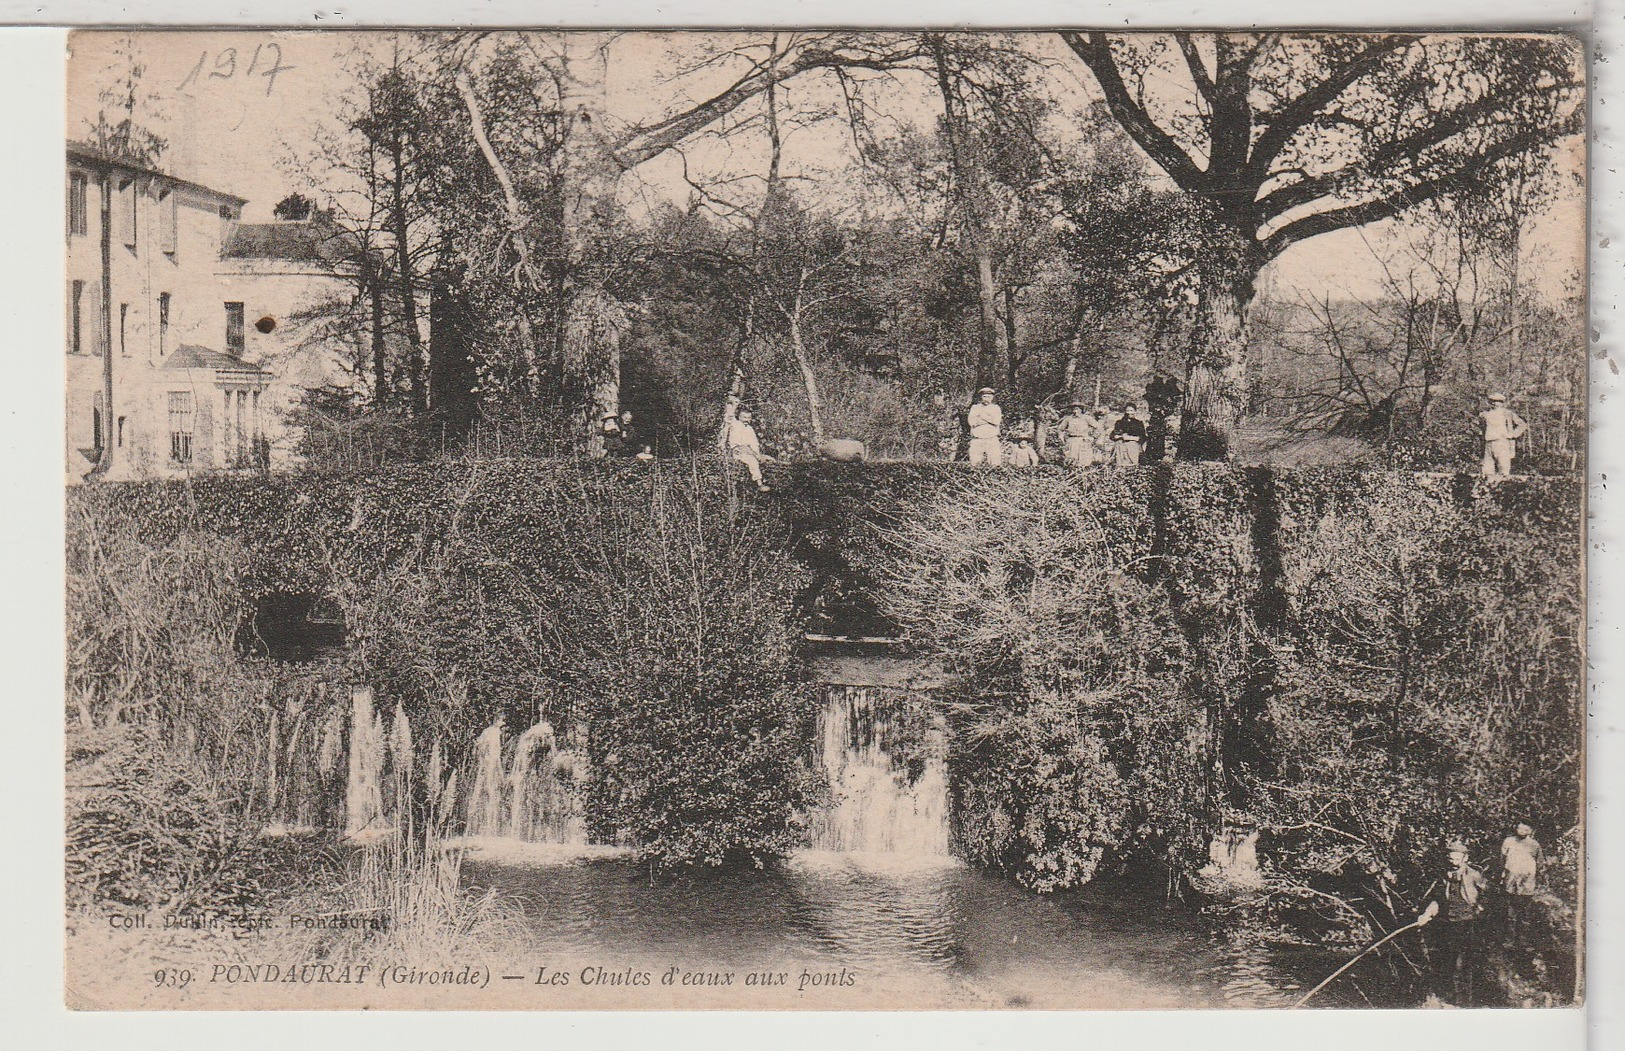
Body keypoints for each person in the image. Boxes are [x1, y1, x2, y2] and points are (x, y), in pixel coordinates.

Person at [1431, 839, 1488, 1005]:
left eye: (1457, 859)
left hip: (1468, 922)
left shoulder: (1474, 875)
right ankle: (1452, 998)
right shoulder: (1444, 876)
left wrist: (1480, 909)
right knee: (1449, 960)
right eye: (1451, 859)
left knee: (1465, 962)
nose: (1453, 862)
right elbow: (1437, 899)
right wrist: (1427, 914)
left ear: (1465, 858)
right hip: (1449, 922)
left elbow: (1488, 894)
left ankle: (1466, 1001)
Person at [1500, 822, 1543, 949]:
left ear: (1530, 830)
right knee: (1510, 913)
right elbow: (1502, 859)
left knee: (1524, 913)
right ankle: (1509, 940)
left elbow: (1540, 863)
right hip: (1511, 883)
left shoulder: (1534, 845)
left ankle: (1523, 941)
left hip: (1527, 884)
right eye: (1519, 827)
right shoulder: (1508, 841)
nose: (1522, 830)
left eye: (1525, 828)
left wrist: (1532, 876)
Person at [1479, 392, 1528, 480]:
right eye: (1492, 401)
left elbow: (1522, 424)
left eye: (1497, 401)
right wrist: (1480, 433)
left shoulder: (1507, 413)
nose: (1494, 403)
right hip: (1488, 443)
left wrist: (1512, 434)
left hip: (1501, 443)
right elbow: (1475, 425)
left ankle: (1502, 489)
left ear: (1502, 403)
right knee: (1487, 471)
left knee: (1503, 470)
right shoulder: (1485, 414)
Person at [724, 404, 771, 492]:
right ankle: (759, 483)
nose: (746, 420)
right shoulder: (736, 426)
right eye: (744, 417)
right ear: (739, 417)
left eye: (748, 418)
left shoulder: (749, 428)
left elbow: (754, 444)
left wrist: (759, 455)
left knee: (768, 459)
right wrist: (755, 456)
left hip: (749, 451)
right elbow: (741, 446)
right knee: (752, 460)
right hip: (738, 450)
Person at [967, 387, 1003, 467]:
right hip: (977, 437)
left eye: (989, 397)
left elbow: (996, 421)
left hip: (991, 437)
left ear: (992, 397)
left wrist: (981, 416)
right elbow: (972, 422)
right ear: (981, 397)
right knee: (975, 460)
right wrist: (989, 419)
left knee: (994, 460)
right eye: (984, 396)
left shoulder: (995, 408)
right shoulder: (975, 408)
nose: (986, 399)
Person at [1058, 400, 1096, 468]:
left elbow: (1098, 427)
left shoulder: (1087, 418)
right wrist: (1061, 438)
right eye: (1074, 409)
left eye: (1078, 409)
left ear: (1081, 410)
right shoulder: (1068, 419)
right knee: (1072, 459)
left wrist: (1092, 437)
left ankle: (1083, 472)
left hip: (1083, 440)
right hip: (1072, 440)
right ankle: (1071, 471)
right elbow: (1060, 429)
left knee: (1084, 460)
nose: (1076, 411)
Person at [1110, 402, 1148, 467]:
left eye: (1131, 410)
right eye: (1127, 410)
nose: (1129, 413)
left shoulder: (1138, 423)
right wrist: (1121, 436)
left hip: (1134, 445)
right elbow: (1113, 435)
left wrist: (1131, 438)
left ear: (1135, 411)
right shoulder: (1119, 422)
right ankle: (1119, 466)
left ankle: (1133, 465)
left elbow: (1143, 437)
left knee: (1131, 446)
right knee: (1119, 445)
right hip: (1121, 443)